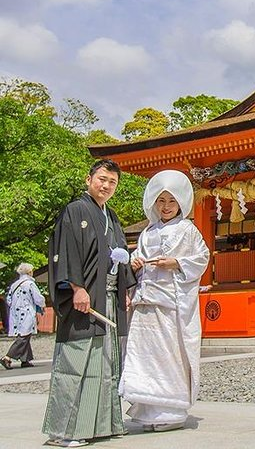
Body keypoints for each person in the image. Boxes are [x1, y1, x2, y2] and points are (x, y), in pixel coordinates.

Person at [42, 159, 134, 448]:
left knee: (106, 364)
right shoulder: (76, 210)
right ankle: (66, 430)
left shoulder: (112, 216)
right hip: (84, 298)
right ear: (89, 179)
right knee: (76, 362)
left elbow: (120, 254)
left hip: (108, 298)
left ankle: (102, 425)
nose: (106, 186)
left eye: (112, 182)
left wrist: (125, 288)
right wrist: (77, 287)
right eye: (102, 179)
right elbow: (66, 250)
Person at [119, 169, 209, 432]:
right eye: (161, 201)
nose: (166, 207)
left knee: (168, 356)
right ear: (154, 203)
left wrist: (176, 263)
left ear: (180, 202)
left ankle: (170, 410)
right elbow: (138, 261)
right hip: (145, 301)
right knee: (143, 356)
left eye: (171, 201)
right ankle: (147, 411)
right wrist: (134, 264)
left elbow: (201, 259)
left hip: (171, 304)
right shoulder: (147, 233)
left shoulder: (188, 230)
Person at [1, 263, 46, 370]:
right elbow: (38, 297)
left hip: (15, 313)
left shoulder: (14, 285)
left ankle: (25, 359)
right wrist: (42, 304)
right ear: (29, 272)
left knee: (24, 334)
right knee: (24, 336)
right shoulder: (29, 284)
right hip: (27, 311)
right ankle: (7, 357)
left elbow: (8, 300)